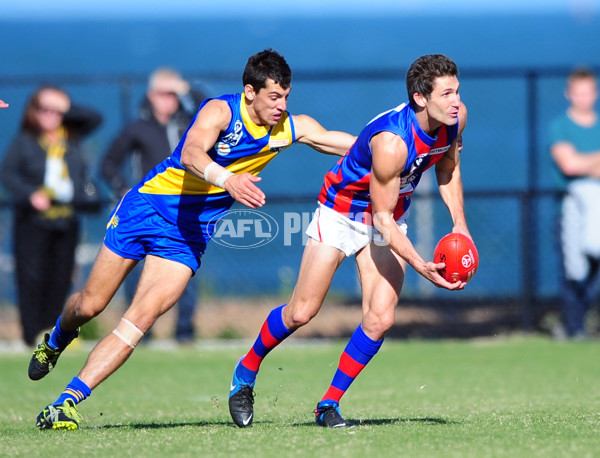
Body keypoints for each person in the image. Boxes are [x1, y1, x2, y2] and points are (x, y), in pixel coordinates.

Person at [29, 48, 356, 431]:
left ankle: (67, 401)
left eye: (286, 96)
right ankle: (56, 338)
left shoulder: (288, 128)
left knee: (141, 317)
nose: (282, 105)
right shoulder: (220, 111)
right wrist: (228, 179)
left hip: (186, 235)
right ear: (249, 92)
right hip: (147, 208)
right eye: (274, 97)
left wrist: (400, 146)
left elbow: (344, 143)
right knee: (90, 305)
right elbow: (190, 152)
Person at [229, 54, 471, 428]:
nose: (456, 100)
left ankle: (328, 404)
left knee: (380, 317)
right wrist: (421, 265)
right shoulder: (393, 143)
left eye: (457, 90)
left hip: (388, 213)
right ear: (421, 99)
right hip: (343, 213)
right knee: (301, 312)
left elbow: (448, 168)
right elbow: (382, 220)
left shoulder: (455, 120)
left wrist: (460, 225)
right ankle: (246, 370)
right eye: (447, 93)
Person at [101, 67, 206, 343]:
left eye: (173, 94)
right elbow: (108, 163)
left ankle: (185, 332)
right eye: (163, 93)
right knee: (135, 276)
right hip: (145, 211)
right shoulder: (137, 128)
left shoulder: (188, 124)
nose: (168, 100)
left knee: (184, 273)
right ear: (151, 95)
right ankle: (137, 335)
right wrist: (124, 189)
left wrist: (185, 88)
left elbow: (213, 108)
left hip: (182, 212)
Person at [0, 86, 102, 346]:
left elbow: (95, 117)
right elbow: (8, 174)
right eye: (44, 110)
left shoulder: (70, 136)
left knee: (61, 278)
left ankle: (51, 336)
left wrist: (64, 107)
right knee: (32, 278)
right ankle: (30, 335)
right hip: (33, 221)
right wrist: (31, 195)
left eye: (57, 112)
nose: (51, 116)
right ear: (34, 112)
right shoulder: (25, 141)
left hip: (66, 219)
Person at [549, 68, 600, 340]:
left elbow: (576, 162)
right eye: (578, 93)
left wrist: (583, 162)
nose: (583, 98)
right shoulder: (560, 127)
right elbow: (567, 164)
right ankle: (573, 328)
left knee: (593, 273)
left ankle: (585, 326)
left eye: (588, 92)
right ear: (569, 94)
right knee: (572, 271)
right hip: (568, 210)